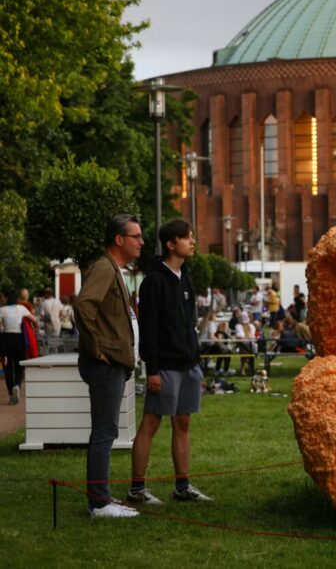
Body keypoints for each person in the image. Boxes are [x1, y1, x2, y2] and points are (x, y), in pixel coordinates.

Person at [129, 219, 212, 506]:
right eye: (187, 238)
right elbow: (148, 329)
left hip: (188, 364)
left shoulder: (185, 277)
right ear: (171, 244)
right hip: (163, 367)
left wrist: (194, 358)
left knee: (183, 423)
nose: (193, 241)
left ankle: (182, 486)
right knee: (151, 424)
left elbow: (187, 323)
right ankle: (136, 490)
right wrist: (152, 370)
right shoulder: (153, 281)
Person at [74, 213, 143, 518]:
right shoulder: (104, 267)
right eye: (136, 236)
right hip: (105, 364)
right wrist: (96, 347)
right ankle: (99, 503)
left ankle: (102, 497)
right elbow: (84, 305)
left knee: (106, 430)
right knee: (104, 431)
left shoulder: (114, 269)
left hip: (115, 362)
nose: (141, 242)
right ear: (119, 239)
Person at [1, 289, 36, 404]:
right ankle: (17, 385)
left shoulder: (2, 310)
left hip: (6, 340)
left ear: (6, 298)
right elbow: (34, 319)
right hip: (19, 340)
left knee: (8, 368)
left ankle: (11, 394)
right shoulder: (21, 309)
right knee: (19, 366)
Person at [39, 287, 63, 353]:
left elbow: (41, 316)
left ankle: (50, 356)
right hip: (57, 324)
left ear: (46, 294)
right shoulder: (58, 301)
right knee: (55, 343)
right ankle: (56, 356)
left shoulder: (43, 303)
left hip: (48, 324)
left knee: (49, 343)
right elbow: (61, 314)